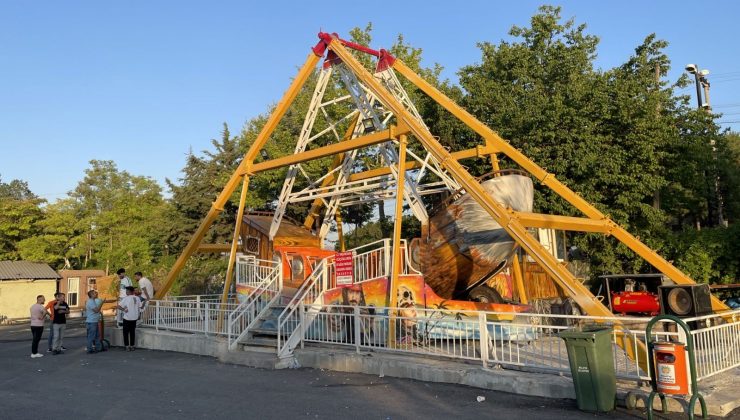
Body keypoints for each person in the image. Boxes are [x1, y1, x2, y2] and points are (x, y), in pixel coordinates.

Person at [117, 286, 142, 351]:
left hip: (127, 317)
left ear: (129, 291)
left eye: (127, 291)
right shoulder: (137, 298)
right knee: (132, 332)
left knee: (125, 332)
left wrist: (123, 309)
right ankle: (132, 345)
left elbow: (118, 306)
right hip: (134, 317)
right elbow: (140, 307)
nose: (126, 292)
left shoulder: (126, 298)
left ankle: (127, 346)